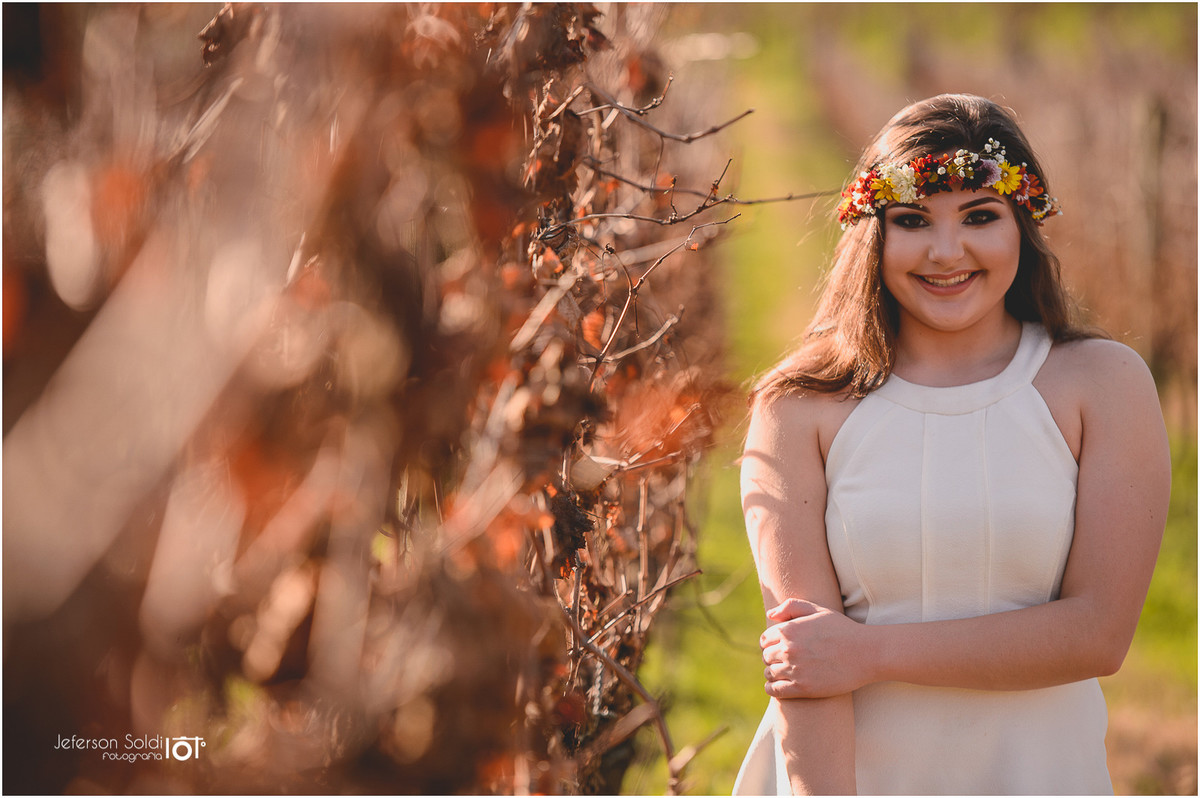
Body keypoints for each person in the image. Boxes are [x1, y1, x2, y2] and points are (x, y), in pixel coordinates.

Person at [732, 94, 1171, 795]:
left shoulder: (1104, 385)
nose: (945, 252)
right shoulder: (799, 406)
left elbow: (1098, 634)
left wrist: (868, 653)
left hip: (1038, 776)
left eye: (979, 217)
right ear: (874, 235)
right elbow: (807, 664)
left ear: (1023, 227)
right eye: (911, 221)